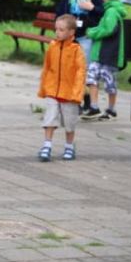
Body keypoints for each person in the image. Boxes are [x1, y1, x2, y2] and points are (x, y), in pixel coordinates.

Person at [37, 15, 87, 161]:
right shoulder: (52, 46)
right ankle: (47, 145)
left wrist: (77, 92)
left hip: (69, 93)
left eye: (61, 30)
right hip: (53, 91)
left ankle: (69, 146)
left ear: (71, 32)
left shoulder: (76, 49)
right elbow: (47, 67)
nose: (57, 32)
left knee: (69, 123)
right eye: (56, 29)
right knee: (49, 119)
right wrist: (44, 88)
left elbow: (80, 71)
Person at [81, 0, 127, 122]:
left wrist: (92, 32)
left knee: (109, 82)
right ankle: (94, 107)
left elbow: (108, 29)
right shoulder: (109, 10)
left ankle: (111, 110)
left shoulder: (112, 11)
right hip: (100, 53)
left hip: (108, 54)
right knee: (92, 77)